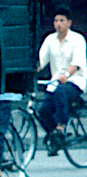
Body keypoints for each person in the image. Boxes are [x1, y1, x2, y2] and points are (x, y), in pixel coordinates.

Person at [37, 8, 86, 154]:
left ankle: (61, 126)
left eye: (61, 20)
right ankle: (55, 137)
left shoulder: (77, 39)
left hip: (75, 81)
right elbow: (41, 60)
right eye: (56, 21)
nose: (58, 24)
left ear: (69, 23)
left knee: (61, 92)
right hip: (55, 82)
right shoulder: (50, 39)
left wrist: (65, 75)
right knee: (43, 110)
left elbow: (77, 63)